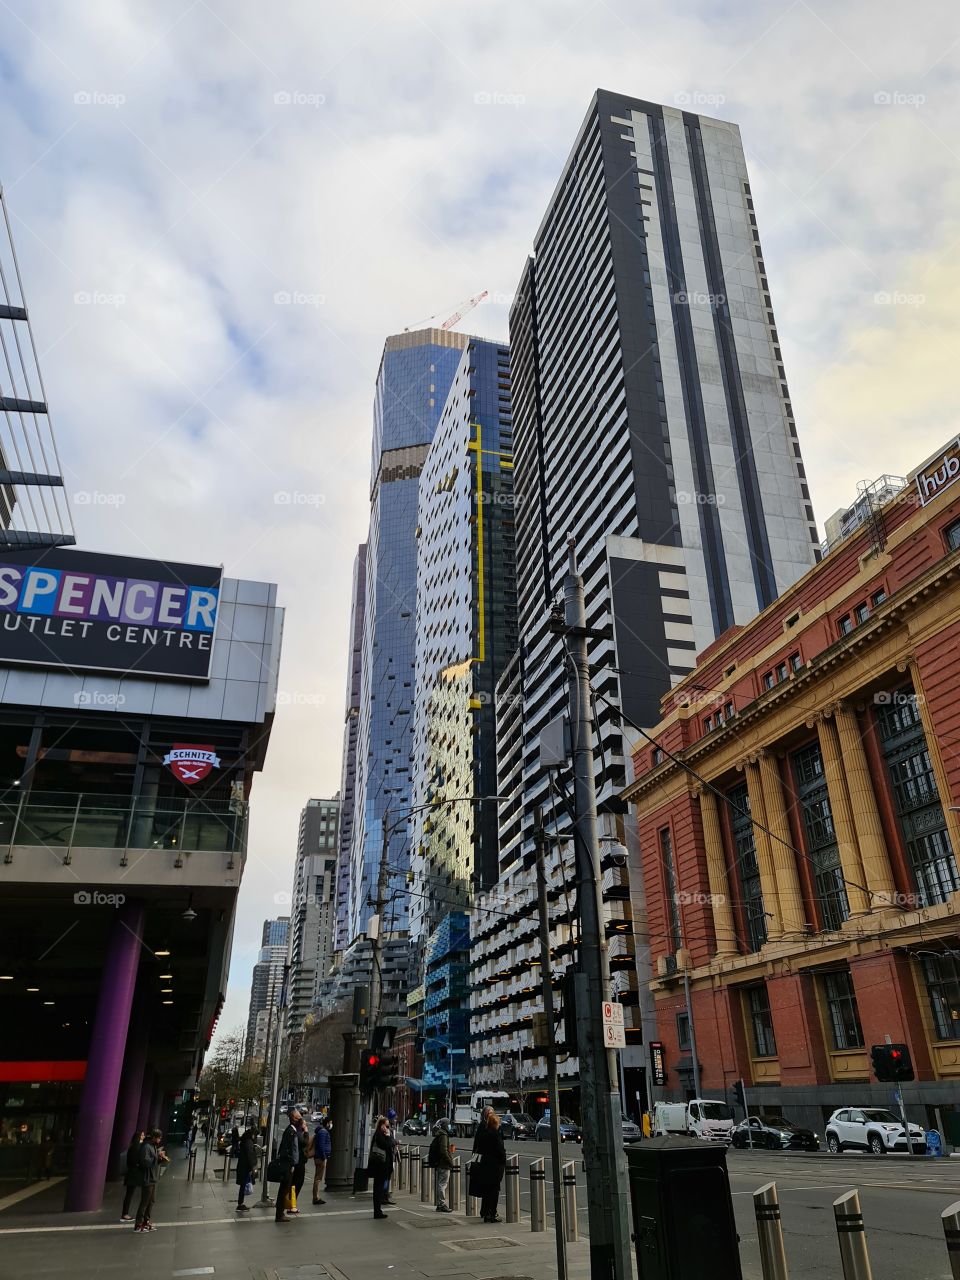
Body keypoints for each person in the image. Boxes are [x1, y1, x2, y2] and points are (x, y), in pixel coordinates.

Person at [473, 1113, 505, 1224]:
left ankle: (486, 1213)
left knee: (486, 1192)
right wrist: (503, 1162)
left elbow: (479, 1150)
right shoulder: (496, 1135)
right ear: (495, 1124)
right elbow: (501, 1152)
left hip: (484, 1167)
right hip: (494, 1168)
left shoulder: (484, 1134)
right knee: (494, 1191)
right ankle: (492, 1214)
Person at [134, 1129, 165, 1232]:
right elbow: (145, 1162)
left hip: (153, 1178)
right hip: (147, 1178)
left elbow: (154, 1162)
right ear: (154, 1137)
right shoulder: (146, 1146)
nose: (159, 1140)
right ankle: (138, 1224)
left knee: (151, 1201)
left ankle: (146, 1222)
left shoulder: (153, 1147)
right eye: (159, 1138)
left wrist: (160, 1158)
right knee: (144, 1202)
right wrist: (157, 1157)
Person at [275, 1107, 302, 1223]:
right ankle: (279, 1214)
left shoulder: (291, 1130)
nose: (301, 1119)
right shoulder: (291, 1131)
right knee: (284, 1189)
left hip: (288, 1164)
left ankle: (280, 1213)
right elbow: (291, 1150)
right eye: (299, 1117)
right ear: (294, 1119)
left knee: (285, 1189)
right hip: (288, 1165)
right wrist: (292, 1164)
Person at [368, 1116, 394, 1219]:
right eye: (386, 1125)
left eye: (388, 1125)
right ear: (381, 1125)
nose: (388, 1127)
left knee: (378, 1188)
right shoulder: (379, 1135)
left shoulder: (381, 1134)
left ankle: (378, 1210)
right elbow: (386, 1145)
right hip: (380, 1166)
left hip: (382, 1165)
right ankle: (377, 1212)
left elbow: (391, 1143)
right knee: (378, 1189)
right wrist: (388, 1136)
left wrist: (388, 1137)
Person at [430, 1119, 455, 1213]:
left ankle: (440, 1203)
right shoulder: (443, 1136)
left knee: (441, 1184)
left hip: (440, 1164)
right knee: (442, 1185)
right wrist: (450, 1161)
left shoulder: (440, 1135)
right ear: (444, 1126)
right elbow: (443, 1151)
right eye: (448, 1125)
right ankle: (441, 1204)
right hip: (444, 1164)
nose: (449, 1127)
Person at [121, 1130, 144, 1221]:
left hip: (131, 1174)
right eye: (142, 1135)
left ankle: (125, 1213)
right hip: (132, 1174)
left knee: (129, 1194)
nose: (143, 1136)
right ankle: (125, 1214)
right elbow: (134, 1161)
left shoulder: (133, 1146)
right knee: (129, 1194)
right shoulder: (135, 1147)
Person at [235, 1125, 258, 1213]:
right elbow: (250, 1155)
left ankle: (241, 1203)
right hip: (245, 1167)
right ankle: (240, 1204)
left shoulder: (245, 1141)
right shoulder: (249, 1142)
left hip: (243, 1165)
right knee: (243, 1185)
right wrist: (253, 1167)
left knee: (243, 1185)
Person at [310, 1117, 331, 1205]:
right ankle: (316, 1197)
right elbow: (321, 1145)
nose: (330, 1125)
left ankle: (316, 1197)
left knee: (317, 1178)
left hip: (319, 1157)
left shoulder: (321, 1131)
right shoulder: (323, 1132)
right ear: (327, 1123)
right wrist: (323, 1157)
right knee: (318, 1178)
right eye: (330, 1123)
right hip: (320, 1158)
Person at [290, 1114, 309, 1212]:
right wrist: (306, 1131)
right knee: (297, 1183)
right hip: (299, 1162)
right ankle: (292, 1205)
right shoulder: (299, 1133)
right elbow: (305, 1142)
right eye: (305, 1124)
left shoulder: (296, 1132)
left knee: (295, 1183)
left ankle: (292, 1204)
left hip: (299, 1161)